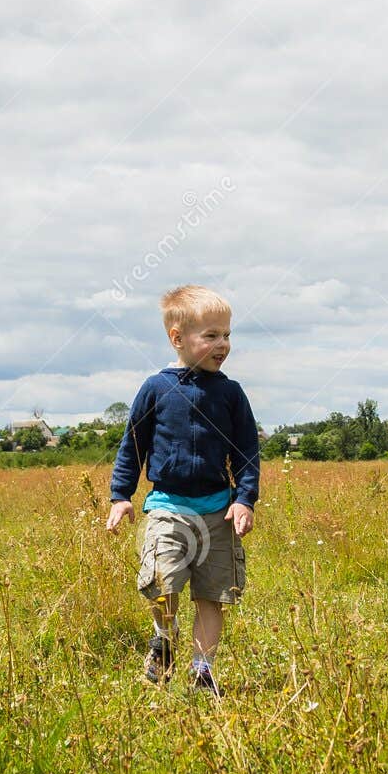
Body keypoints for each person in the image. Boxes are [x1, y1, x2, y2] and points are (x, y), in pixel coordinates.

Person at [105, 284, 259, 698]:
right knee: (162, 583)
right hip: (167, 507)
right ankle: (164, 640)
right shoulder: (156, 388)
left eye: (226, 334)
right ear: (177, 338)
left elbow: (247, 452)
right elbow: (132, 445)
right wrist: (121, 496)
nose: (223, 344)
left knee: (213, 595)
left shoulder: (230, 393)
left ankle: (202, 670)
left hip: (217, 511)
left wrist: (244, 499)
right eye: (211, 335)